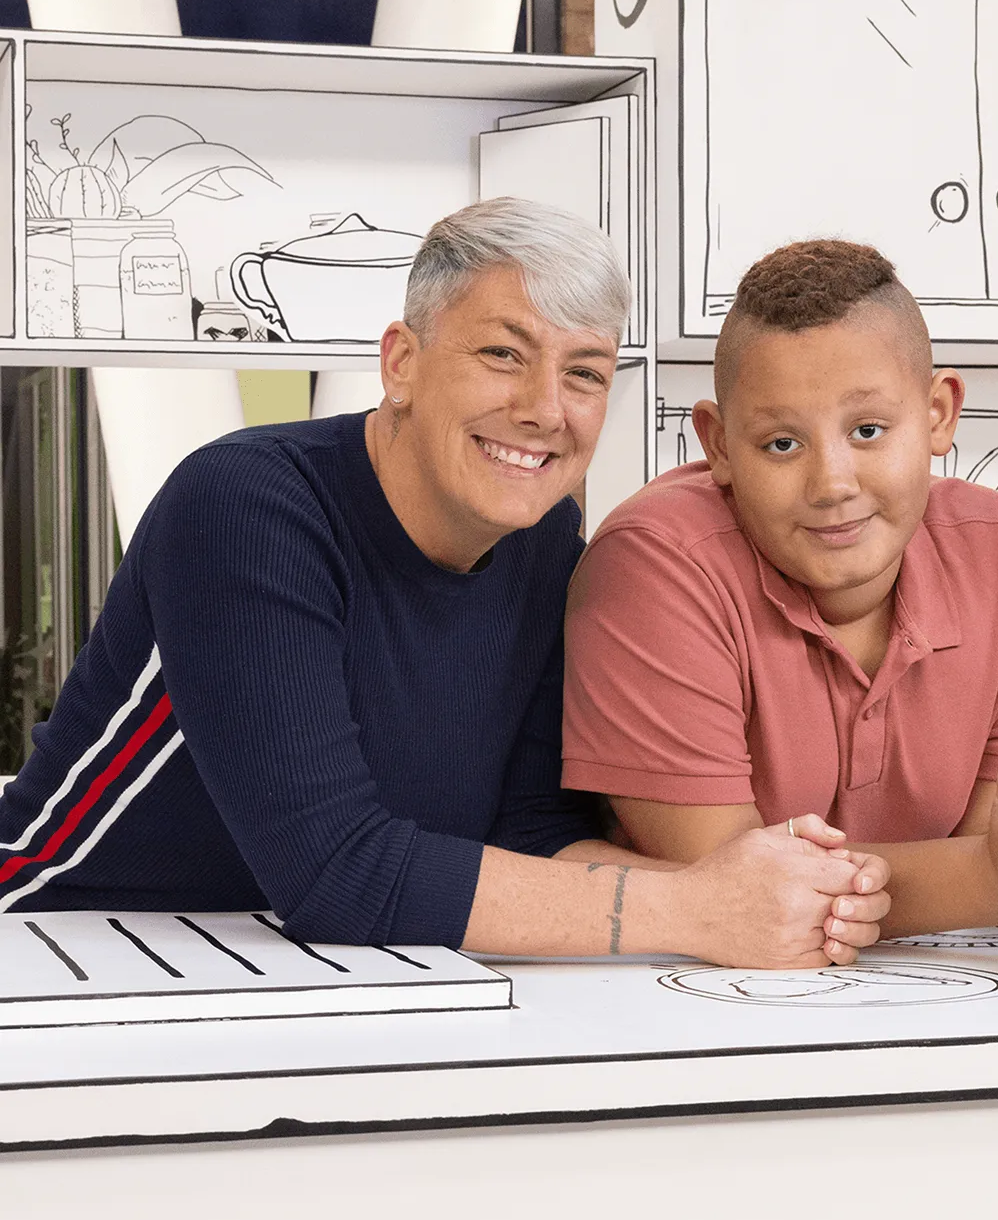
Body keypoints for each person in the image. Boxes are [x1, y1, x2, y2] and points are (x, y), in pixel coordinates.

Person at [0, 198, 889, 968]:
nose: (545, 407)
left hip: (309, 968)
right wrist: (695, 909)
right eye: (504, 354)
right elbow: (338, 872)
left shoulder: (545, 541)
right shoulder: (247, 507)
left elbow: (532, 832)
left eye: (583, 372)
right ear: (402, 364)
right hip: (62, 941)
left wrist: (785, 896)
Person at [562, 239, 998, 936]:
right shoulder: (653, 567)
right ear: (717, 444)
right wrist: (989, 880)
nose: (832, 483)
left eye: (868, 430)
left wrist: (991, 876)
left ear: (938, 416)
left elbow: (992, 841)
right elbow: (738, 890)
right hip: (689, 993)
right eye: (782, 443)